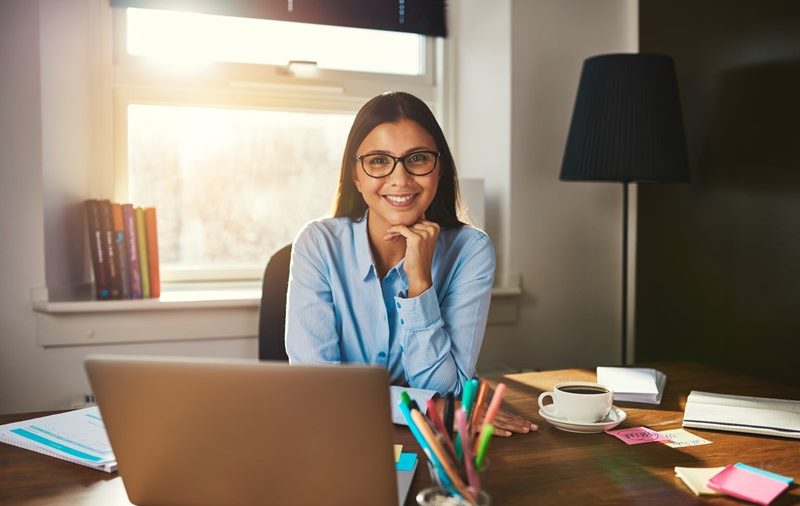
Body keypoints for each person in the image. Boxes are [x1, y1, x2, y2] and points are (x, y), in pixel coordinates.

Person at [286, 91, 535, 435]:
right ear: (356, 176)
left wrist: (420, 284)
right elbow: (319, 388)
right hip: (339, 430)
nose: (400, 179)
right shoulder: (318, 244)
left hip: (436, 440)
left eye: (417, 158)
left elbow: (447, 388)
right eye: (378, 161)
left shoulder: (471, 249)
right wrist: (434, 407)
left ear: (439, 168)